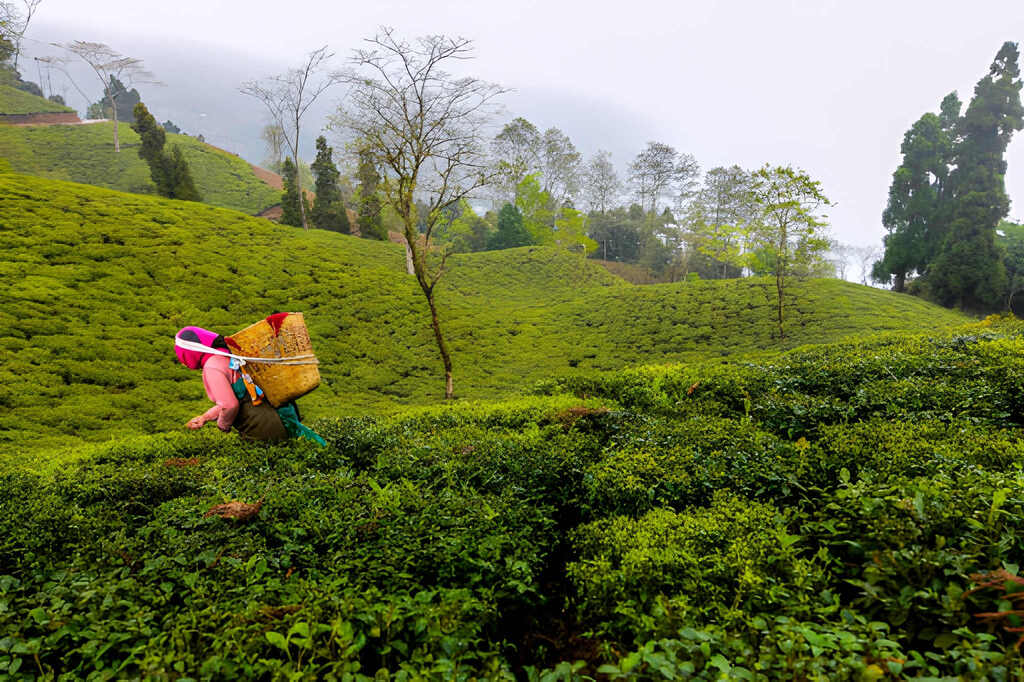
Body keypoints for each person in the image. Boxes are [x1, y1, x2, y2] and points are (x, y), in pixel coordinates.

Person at [174, 326, 325, 445]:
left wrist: (223, 426)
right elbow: (239, 396)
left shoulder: (212, 367)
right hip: (282, 414)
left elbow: (229, 405)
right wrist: (205, 417)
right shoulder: (230, 354)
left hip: (261, 426)